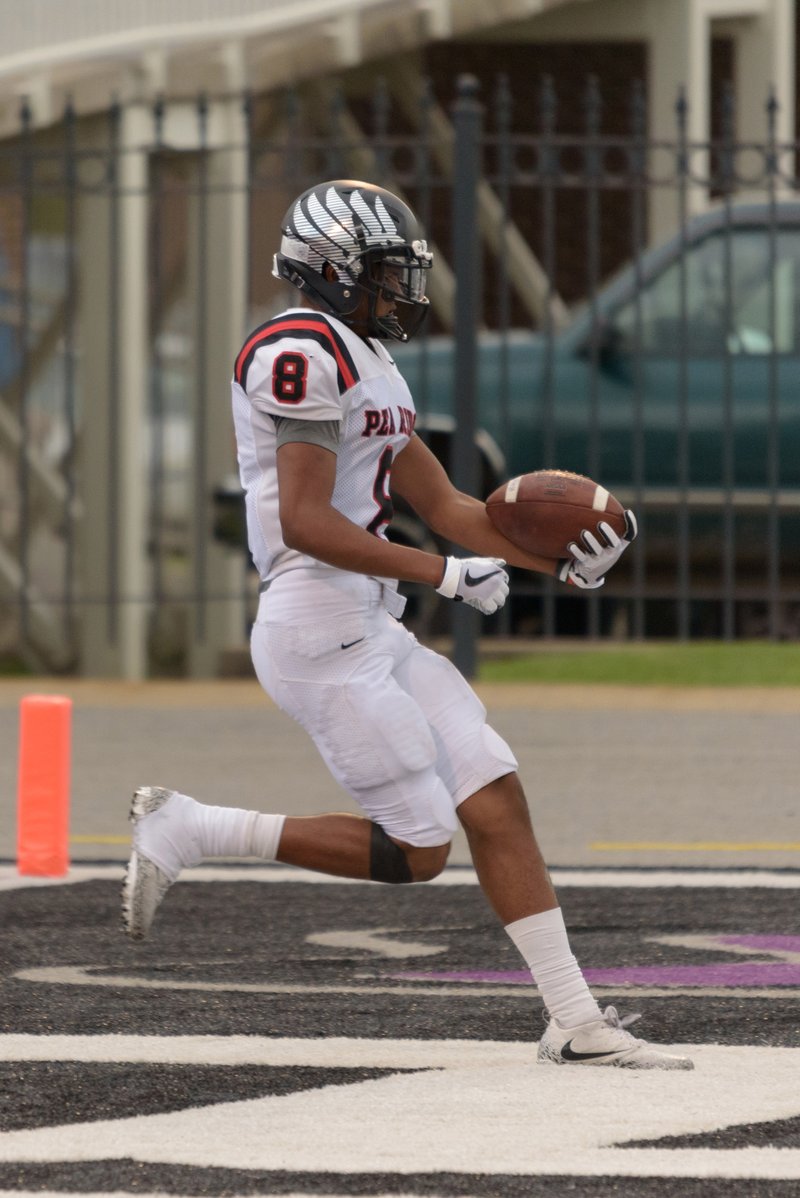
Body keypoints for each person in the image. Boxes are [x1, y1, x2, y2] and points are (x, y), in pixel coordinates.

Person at [122, 180, 692, 1070]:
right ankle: (193, 826)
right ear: (332, 270)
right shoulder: (298, 350)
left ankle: (575, 1021)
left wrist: (560, 566)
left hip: (370, 623)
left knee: (495, 795)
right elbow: (307, 523)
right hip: (317, 627)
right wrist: (444, 575)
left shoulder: (365, 357)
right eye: (386, 272)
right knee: (419, 848)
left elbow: (452, 505)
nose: (402, 290)